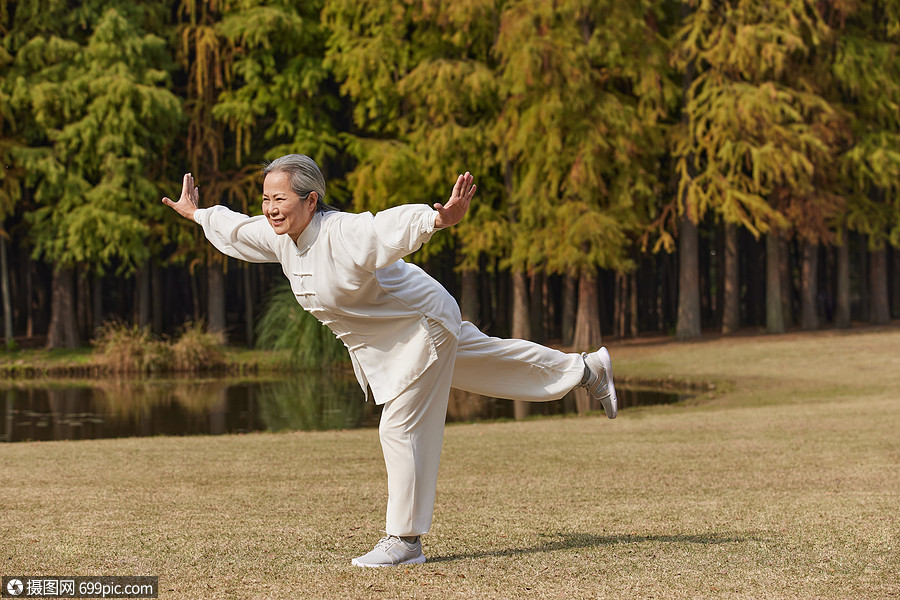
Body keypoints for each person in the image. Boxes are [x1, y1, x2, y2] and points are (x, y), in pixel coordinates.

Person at [161, 154, 617, 568]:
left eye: (280, 198)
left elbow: (387, 226)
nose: (270, 208)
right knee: (487, 360)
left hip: (421, 324)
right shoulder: (281, 237)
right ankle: (586, 369)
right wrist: (198, 213)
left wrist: (437, 220)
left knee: (399, 426)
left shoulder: (344, 231)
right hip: (400, 330)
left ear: (311, 199)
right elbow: (237, 229)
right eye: (266, 198)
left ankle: (405, 540)